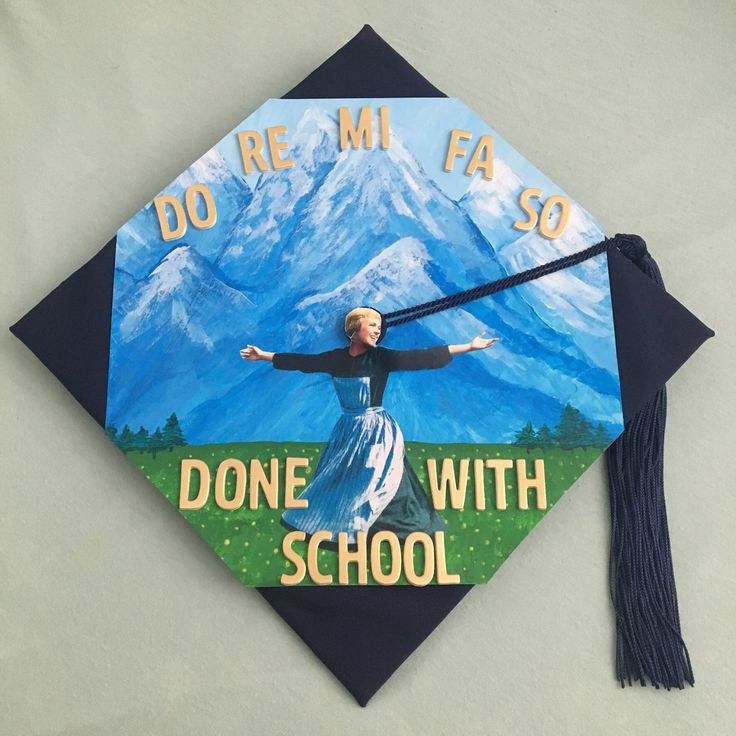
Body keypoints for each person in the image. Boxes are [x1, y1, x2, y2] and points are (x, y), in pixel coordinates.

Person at [240, 307, 497, 544]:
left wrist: (469, 347)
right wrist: (264, 355)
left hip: (376, 430)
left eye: (379, 327)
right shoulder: (335, 359)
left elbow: (420, 357)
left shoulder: (381, 358)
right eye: (372, 324)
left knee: (378, 477)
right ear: (353, 328)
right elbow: (303, 362)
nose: (377, 330)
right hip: (348, 429)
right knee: (338, 480)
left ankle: (399, 530)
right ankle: (333, 529)